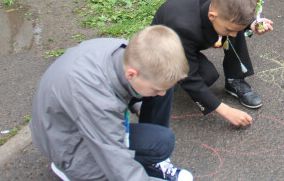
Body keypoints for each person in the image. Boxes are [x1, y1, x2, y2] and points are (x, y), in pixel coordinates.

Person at [30, 26, 193, 181]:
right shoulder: (97, 100)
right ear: (132, 74)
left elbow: (123, 86)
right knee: (117, 170)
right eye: (156, 90)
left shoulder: (126, 53)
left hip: (80, 119)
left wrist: (139, 106)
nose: (161, 94)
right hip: (66, 144)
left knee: (162, 139)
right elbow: (116, 161)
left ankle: (147, 163)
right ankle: (71, 171)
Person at [151, 0, 273, 128]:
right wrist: (226, 111)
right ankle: (168, 72)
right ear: (212, 16)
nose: (234, 35)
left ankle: (235, 78)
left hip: (192, 35)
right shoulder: (183, 27)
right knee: (205, 77)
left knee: (233, 30)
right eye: (229, 29)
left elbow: (236, 16)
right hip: (165, 46)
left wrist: (252, 24)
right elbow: (191, 79)